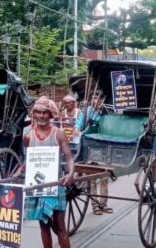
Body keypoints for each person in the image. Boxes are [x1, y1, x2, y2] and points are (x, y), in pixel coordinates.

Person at [23, 97, 74, 248]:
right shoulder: (28, 137)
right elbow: (29, 160)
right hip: (38, 187)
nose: (41, 116)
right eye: (37, 112)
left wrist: (70, 173)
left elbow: (69, 157)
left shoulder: (59, 134)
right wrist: (22, 169)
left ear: (50, 114)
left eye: (44, 112)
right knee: (43, 226)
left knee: (60, 226)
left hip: (55, 185)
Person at [73, 93, 113, 215]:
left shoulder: (106, 111)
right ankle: (95, 205)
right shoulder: (86, 112)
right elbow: (78, 123)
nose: (94, 100)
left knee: (104, 178)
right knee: (92, 178)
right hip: (89, 148)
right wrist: (76, 128)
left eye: (96, 98)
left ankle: (103, 204)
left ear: (101, 100)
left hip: (103, 147)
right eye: (92, 98)